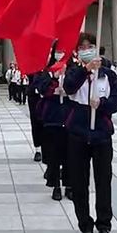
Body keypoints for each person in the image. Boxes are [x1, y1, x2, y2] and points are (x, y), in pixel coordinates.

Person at [64, 32, 117, 233]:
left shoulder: (108, 75)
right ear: (76, 52)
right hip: (78, 134)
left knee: (103, 181)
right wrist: (85, 70)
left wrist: (103, 105)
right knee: (79, 184)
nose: (86, 49)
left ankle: (104, 226)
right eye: (82, 47)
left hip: (101, 135)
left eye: (89, 46)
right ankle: (85, 226)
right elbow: (69, 88)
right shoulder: (73, 72)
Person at [34, 46, 72, 201]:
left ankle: (69, 185)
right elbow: (39, 86)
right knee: (54, 154)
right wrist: (53, 80)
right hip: (52, 117)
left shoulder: (72, 69)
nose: (60, 53)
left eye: (63, 50)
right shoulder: (46, 70)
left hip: (70, 116)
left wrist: (68, 86)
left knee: (71, 154)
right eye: (58, 50)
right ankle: (56, 185)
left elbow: (79, 85)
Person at [27, 70, 43, 162]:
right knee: (35, 123)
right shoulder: (32, 66)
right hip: (34, 97)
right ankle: (38, 149)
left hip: (48, 97)